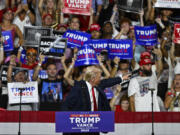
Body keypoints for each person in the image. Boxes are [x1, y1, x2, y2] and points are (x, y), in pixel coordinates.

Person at [62, 66, 130, 134]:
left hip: (95, 125)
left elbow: (108, 81)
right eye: (99, 77)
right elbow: (66, 105)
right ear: (93, 78)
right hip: (81, 125)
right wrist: (66, 126)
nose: (101, 79)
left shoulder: (98, 85)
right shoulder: (79, 87)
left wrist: (122, 78)